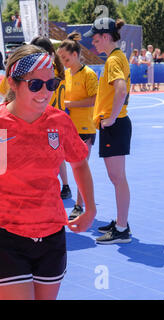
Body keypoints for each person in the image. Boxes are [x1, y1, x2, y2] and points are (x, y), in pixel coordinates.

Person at [0, 44, 96, 300]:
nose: (45, 92)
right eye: (35, 85)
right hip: (4, 236)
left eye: (52, 84)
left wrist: (89, 207)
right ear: (13, 83)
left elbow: (79, 163)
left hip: (52, 236)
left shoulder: (59, 122)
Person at [84, 17, 132, 244]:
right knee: (117, 178)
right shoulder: (117, 58)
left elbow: (120, 90)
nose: (93, 43)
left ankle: (122, 228)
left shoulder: (113, 61)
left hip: (115, 124)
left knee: (118, 178)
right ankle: (121, 222)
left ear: (105, 37)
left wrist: (111, 118)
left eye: (95, 38)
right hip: (116, 124)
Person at [57, 32, 98, 220]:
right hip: (67, 127)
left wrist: (69, 105)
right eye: (61, 59)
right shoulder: (65, 75)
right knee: (66, 165)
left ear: (75, 55)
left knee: (81, 168)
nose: (63, 62)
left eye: (65, 58)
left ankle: (80, 205)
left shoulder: (88, 74)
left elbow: (93, 100)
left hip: (84, 128)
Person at [30, 36, 71, 200]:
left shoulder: (46, 71)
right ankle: (65, 185)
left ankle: (48, 187)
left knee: (47, 155)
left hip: (47, 119)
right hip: (57, 119)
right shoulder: (58, 69)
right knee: (57, 154)